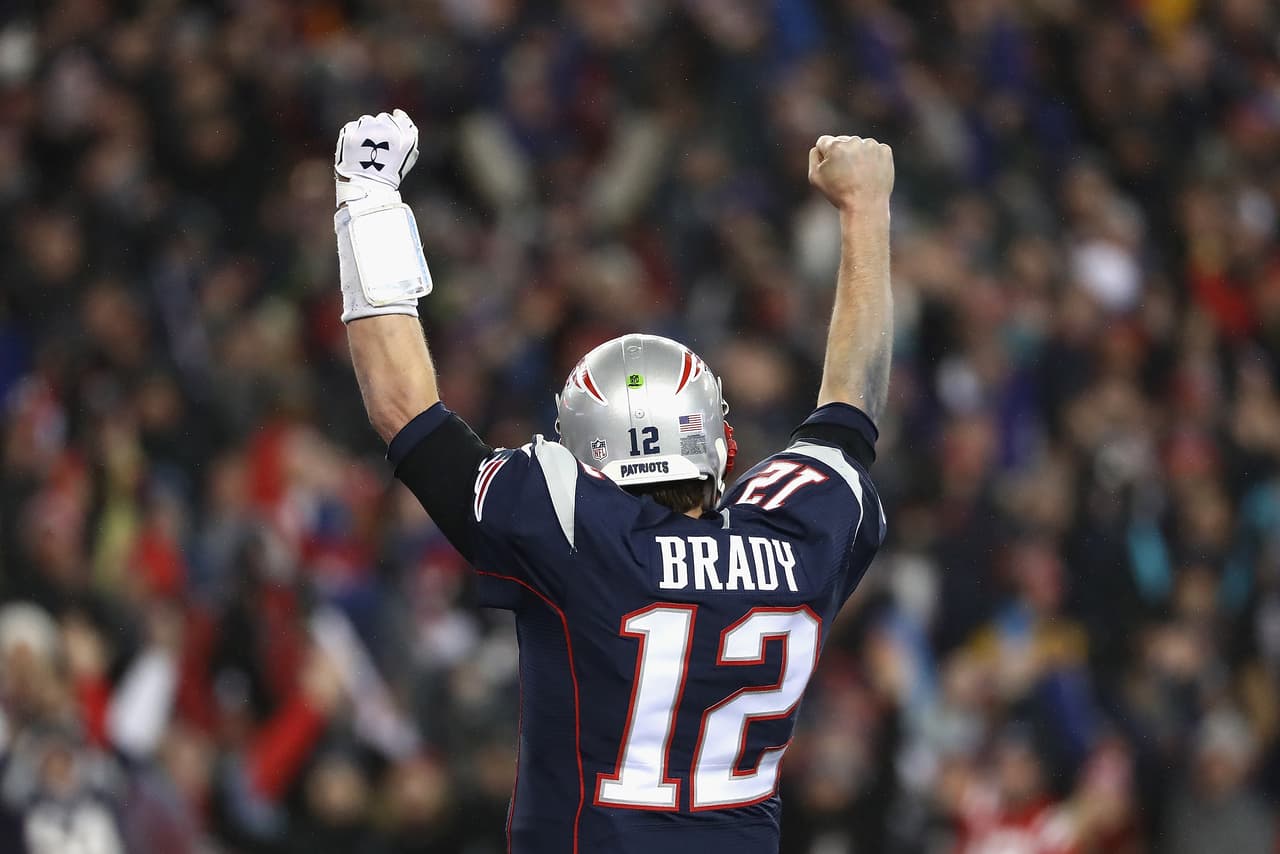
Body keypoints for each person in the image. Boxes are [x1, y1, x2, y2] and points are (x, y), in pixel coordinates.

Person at [334, 109, 893, 853]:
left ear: (588, 455)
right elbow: (850, 409)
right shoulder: (799, 536)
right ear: (716, 441)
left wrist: (366, 198)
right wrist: (866, 210)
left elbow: (404, 408)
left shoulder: (571, 526)